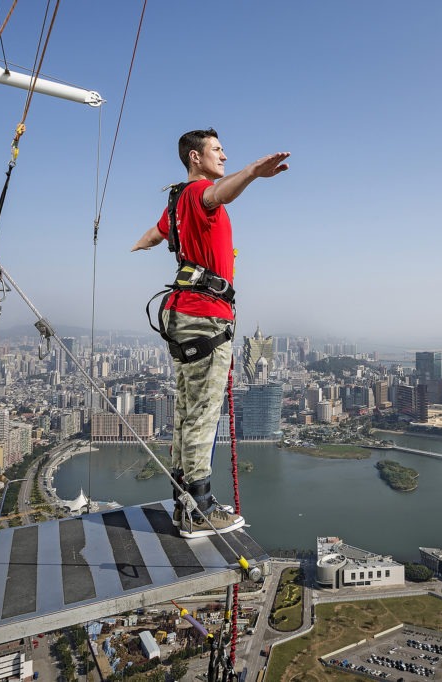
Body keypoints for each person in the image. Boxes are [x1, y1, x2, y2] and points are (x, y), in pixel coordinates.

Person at [132, 129, 289, 537]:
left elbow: (155, 235)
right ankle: (198, 510)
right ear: (195, 158)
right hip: (206, 315)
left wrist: (137, 246)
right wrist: (253, 171)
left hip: (182, 312)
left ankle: (183, 499)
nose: (223, 154)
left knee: (187, 411)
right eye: (217, 149)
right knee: (203, 414)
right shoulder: (199, 194)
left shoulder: (175, 202)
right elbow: (219, 195)